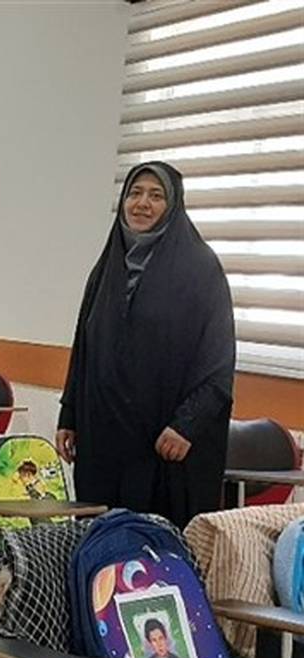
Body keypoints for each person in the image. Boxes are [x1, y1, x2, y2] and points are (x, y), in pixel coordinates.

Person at [56, 162, 235, 529]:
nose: (142, 203)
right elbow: (84, 346)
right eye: (134, 193)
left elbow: (218, 364)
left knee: (154, 546)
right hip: (103, 441)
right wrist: (69, 415)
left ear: (173, 205)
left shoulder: (200, 270)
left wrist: (187, 425)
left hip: (162, 445)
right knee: (100, 541)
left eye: (156, 195)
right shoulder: (106, 268)